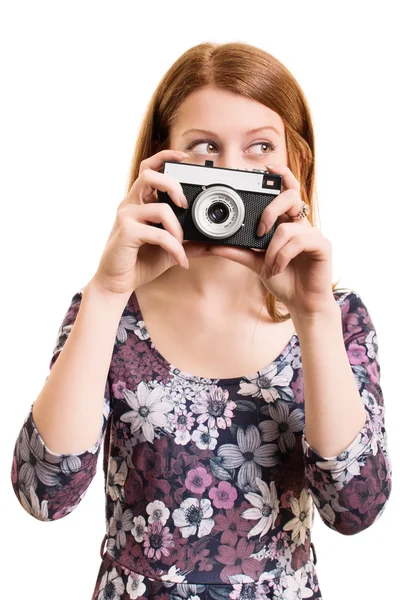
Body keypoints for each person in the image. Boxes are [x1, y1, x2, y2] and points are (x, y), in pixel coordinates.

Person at [11, 41, 392, 600]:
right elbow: (43, 492)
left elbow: (355, 508)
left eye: (260, 147)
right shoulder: (111, 310)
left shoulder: (338, 316)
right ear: (162, 163)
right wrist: (108, 290)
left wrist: (313, 317)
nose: (231, 173)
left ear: (296, 165)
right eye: (205, 149)